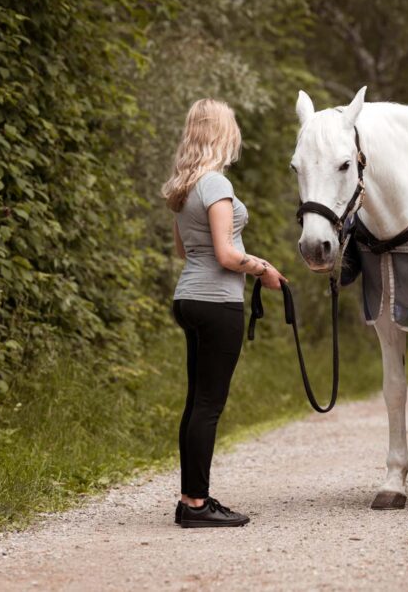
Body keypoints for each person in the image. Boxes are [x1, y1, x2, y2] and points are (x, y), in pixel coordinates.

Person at [162, 98, 288, 527]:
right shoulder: (215, 184)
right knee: (209, 405)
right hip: (216, 303)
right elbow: (225, 254)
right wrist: (264, 269)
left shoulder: (183, 187)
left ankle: (189, 499)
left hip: (188, 297)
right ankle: (197, 504)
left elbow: (185, 251)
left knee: (196, 402)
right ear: (223, 134)